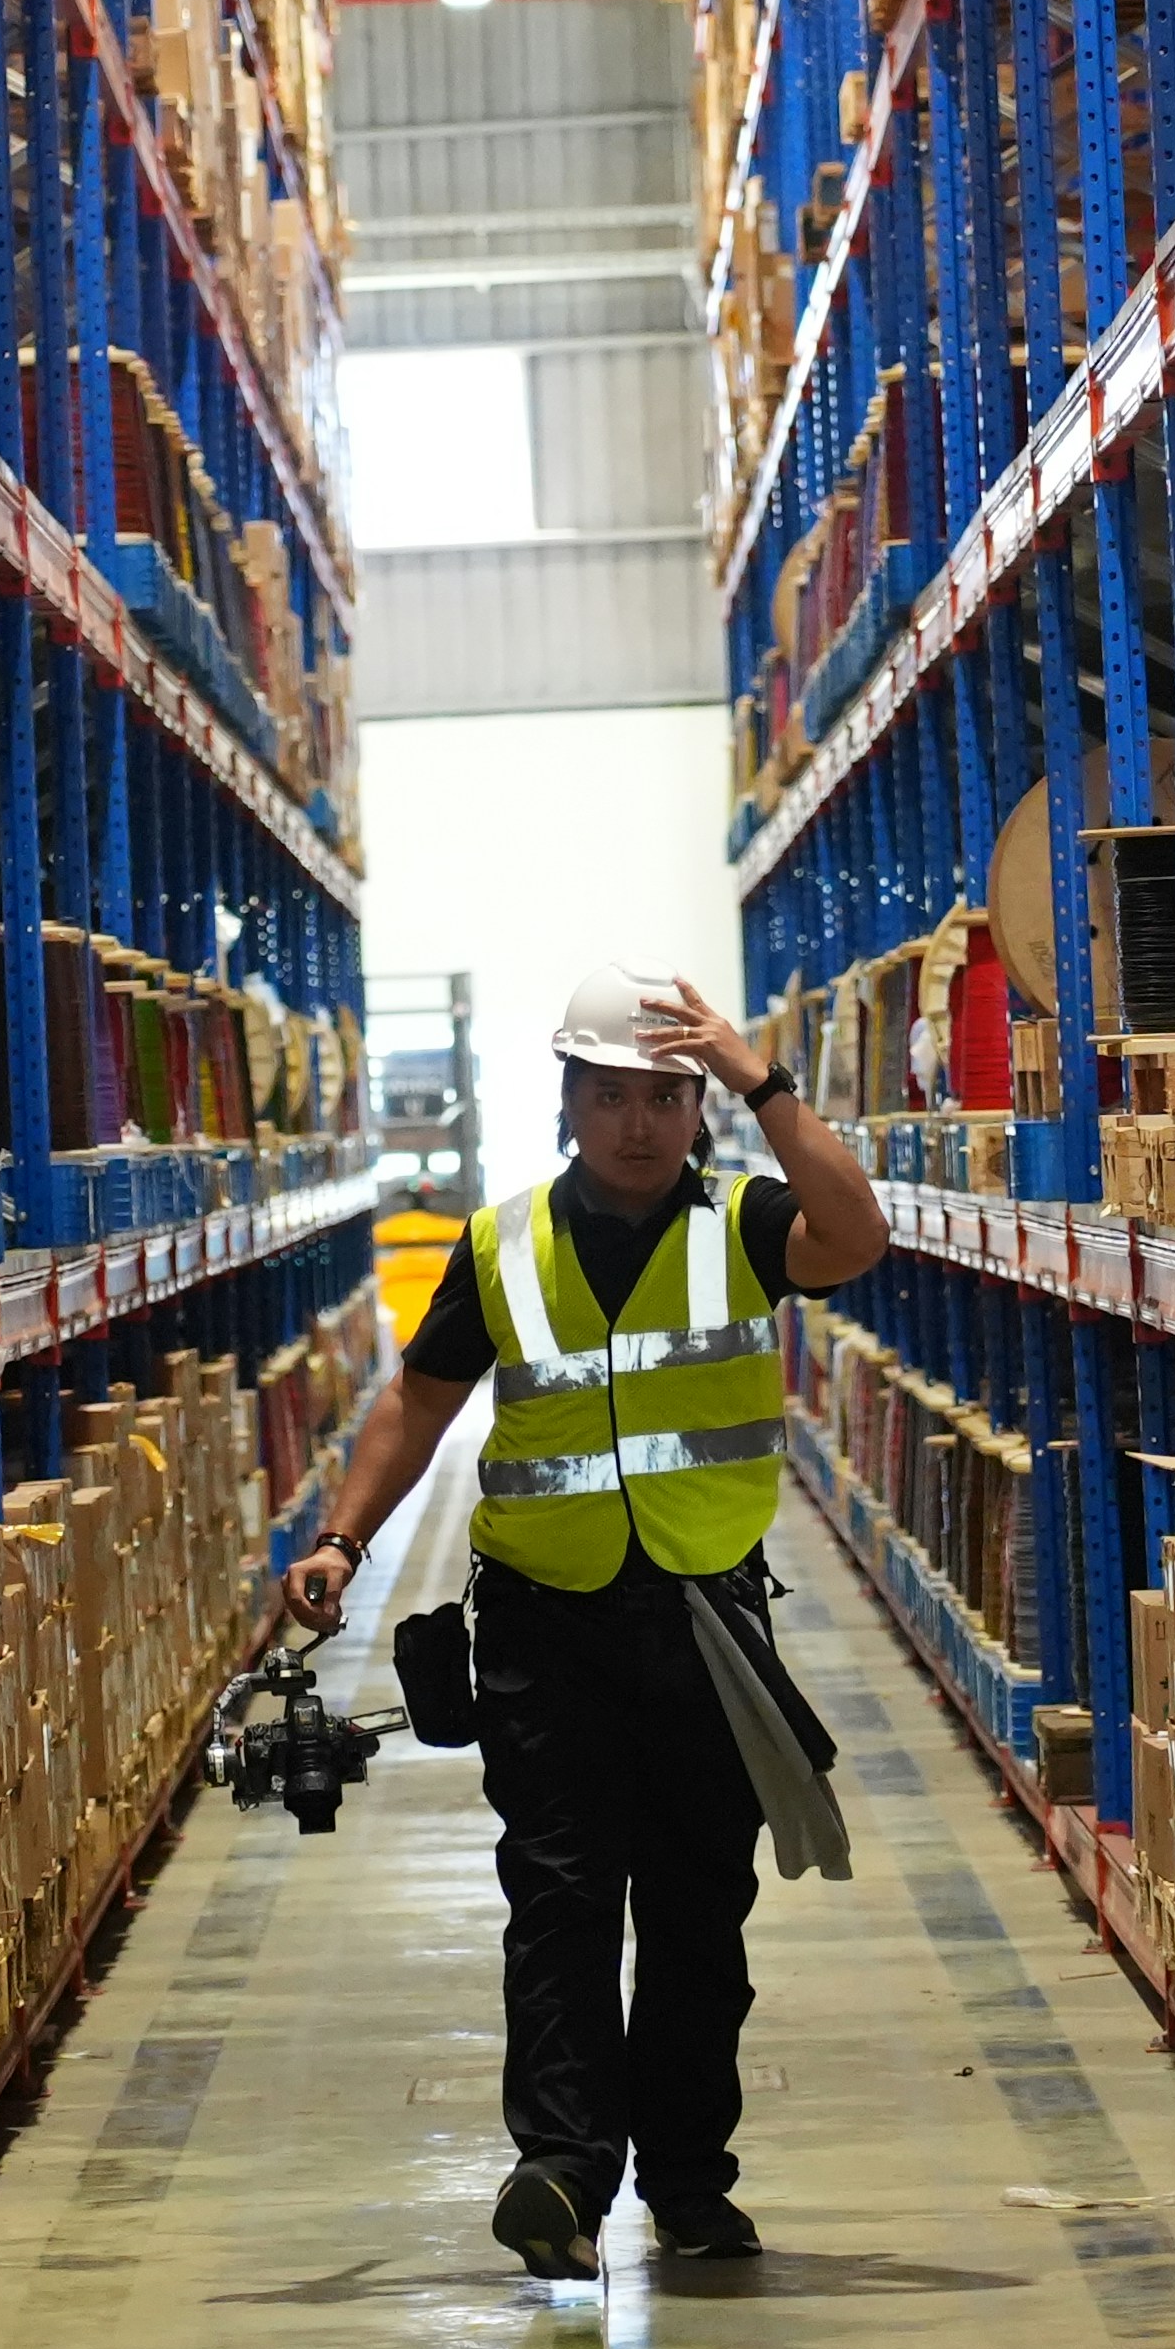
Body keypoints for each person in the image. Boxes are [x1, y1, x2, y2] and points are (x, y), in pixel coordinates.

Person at [283, 964, 885, 2275]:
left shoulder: (744, 1223)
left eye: (665, 1097)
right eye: (611, 1094)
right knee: (557, 1903)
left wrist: (760, 1079)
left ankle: (686, 2180)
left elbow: (859, 1236)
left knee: (695, 1919)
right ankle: (560, 2169)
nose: (637, 1123)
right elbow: (420, 1401)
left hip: (705, 1628)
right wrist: (342, 1537)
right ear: (567, 1099)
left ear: (696, 1107)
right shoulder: (501, 1244)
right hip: (546, 1633)